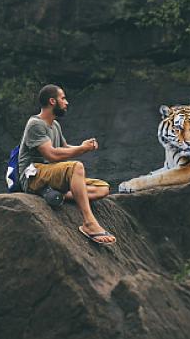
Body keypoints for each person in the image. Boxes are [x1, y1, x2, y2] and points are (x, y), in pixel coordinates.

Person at [18, 84, 116, 245]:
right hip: (33, 175)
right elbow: (51, 154)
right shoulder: (36, 124)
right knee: (76, 167)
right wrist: (81, 150)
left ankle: (55, 194)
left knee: (103, 188)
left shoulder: (55, 125)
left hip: (50, 173)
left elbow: (64, 147)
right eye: (63, 98)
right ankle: (89, 223)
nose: (66, 102)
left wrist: (83, 146)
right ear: (52, 101)